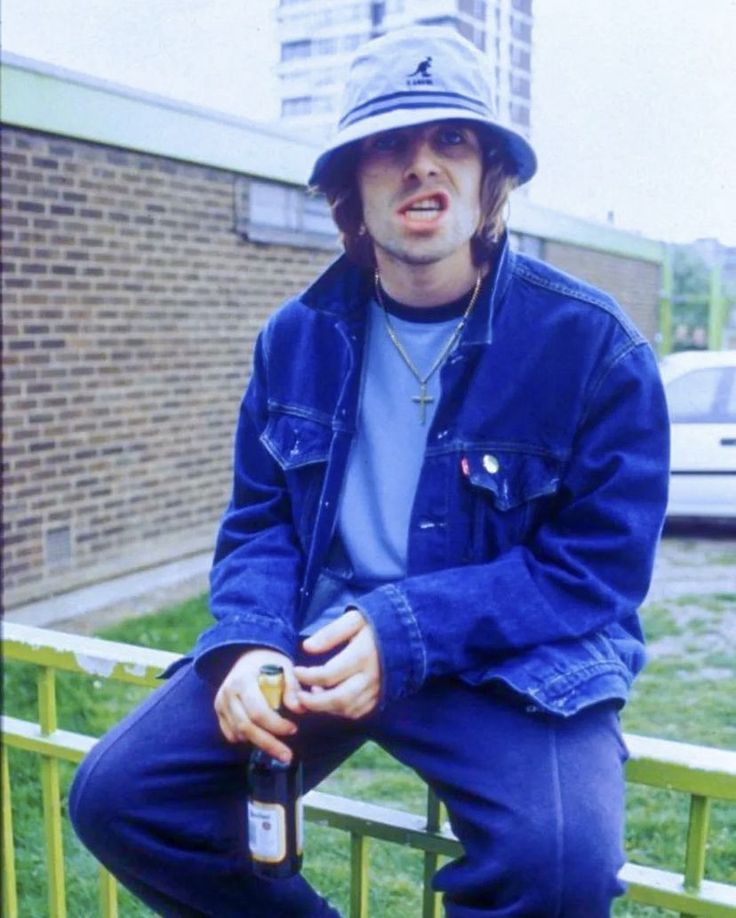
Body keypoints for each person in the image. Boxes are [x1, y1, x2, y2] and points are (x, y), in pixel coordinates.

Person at [70, 25, 670, 917]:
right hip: (320, 642)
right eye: (389, 144)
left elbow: (599, 569)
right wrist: (248, 640)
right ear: (351, 181)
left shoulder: (593, 346)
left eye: (451, 140)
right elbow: (261, 523)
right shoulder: (294, 338)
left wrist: (410, 629)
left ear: (489, 174)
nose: (422, 165)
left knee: (559, 867)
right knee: (120, 799)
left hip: (510, 662)